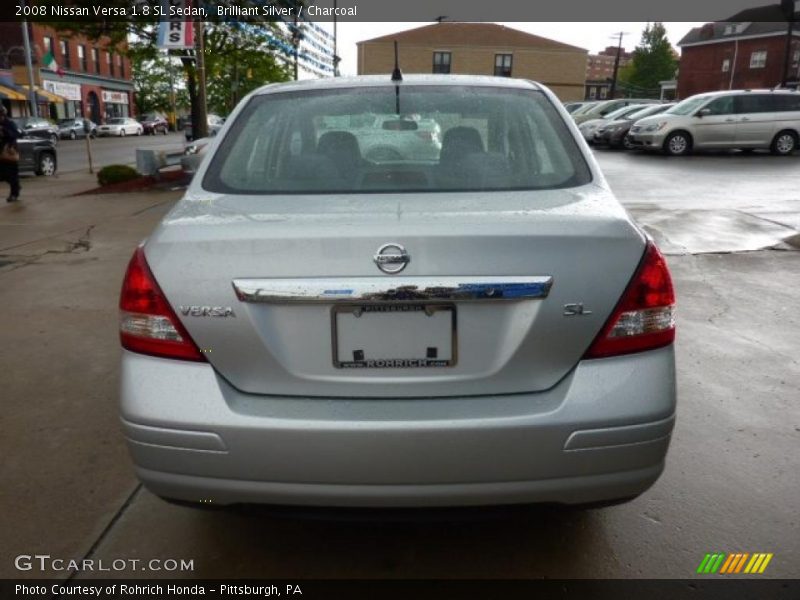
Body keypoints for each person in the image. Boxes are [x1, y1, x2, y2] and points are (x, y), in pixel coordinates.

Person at [0, 105, 21, 202]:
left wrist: (4, 131)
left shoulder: (9, 123)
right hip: (1, 153)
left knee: (12, 175)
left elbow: (17, 133)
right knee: (3, 174)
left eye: (1, 115)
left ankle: (14, 193)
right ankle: (16, 187)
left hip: (10, 151)